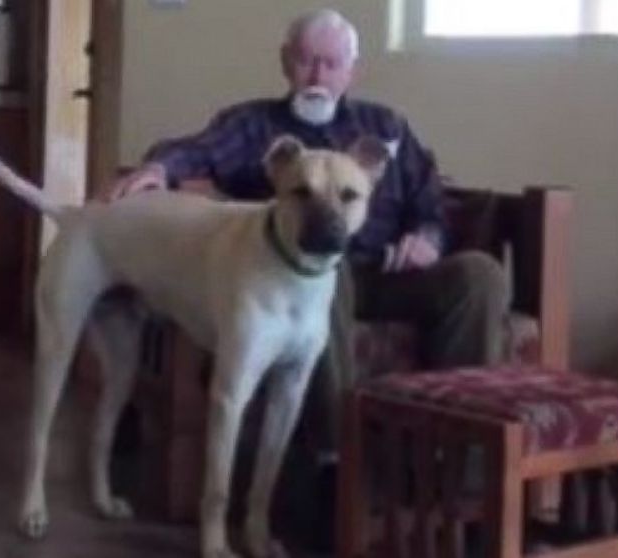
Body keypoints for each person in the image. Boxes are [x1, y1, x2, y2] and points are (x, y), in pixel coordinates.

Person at [105, 6, 508, 528]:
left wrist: (428, 237)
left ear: (351, 71)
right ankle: (335, 461)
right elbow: (196, 151)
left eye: (331, 63)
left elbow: (430, 200)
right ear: (285, 63)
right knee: (324, 268)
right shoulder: (255, 126)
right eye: (306, 61)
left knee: (481, 275)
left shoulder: (385, 128)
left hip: (392, 277)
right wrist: (159, 167)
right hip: (300, 279)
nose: (318, 75)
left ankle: (455, 453)